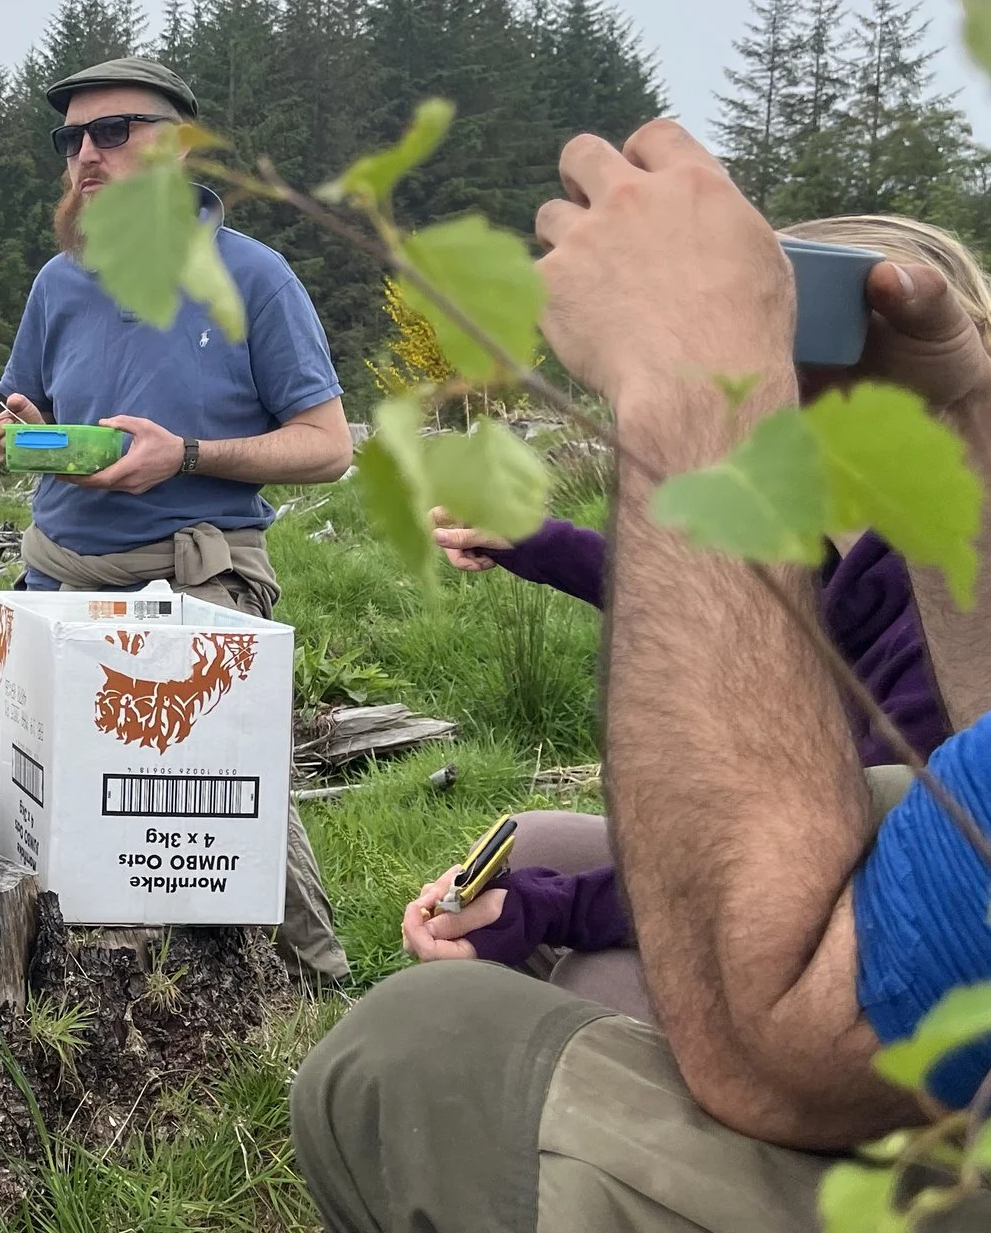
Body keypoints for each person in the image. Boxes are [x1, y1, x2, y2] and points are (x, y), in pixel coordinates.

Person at [294, 119, 991, 1233]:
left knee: (409, 1051)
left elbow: (780, 998)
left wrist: (682, 384)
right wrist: (540, 540)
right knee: (540, 838)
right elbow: (721, 619)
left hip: (887, 1087)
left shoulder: (899, 583)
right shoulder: (890, 545)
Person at [408, 212, 991, 1019]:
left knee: (594, 982)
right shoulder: (852, 544)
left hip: (893, 979)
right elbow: (721, 597)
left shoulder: (944, 623)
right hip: (822, 884)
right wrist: (533, 540)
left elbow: (799, 875)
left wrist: (557, 909)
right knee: (535, 839)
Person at [0, 54, 355, 981]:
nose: (86, 156)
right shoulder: (58, 281)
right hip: (55, 570)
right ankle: (49, 971)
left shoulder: (253, 277)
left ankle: (316, 978)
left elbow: (328, 445)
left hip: (195, 570)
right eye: (71, 139)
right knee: (37, 787)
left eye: (113, 131)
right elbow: (26, 403)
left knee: (228, 790)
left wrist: (183, 454)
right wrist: (27, 432)